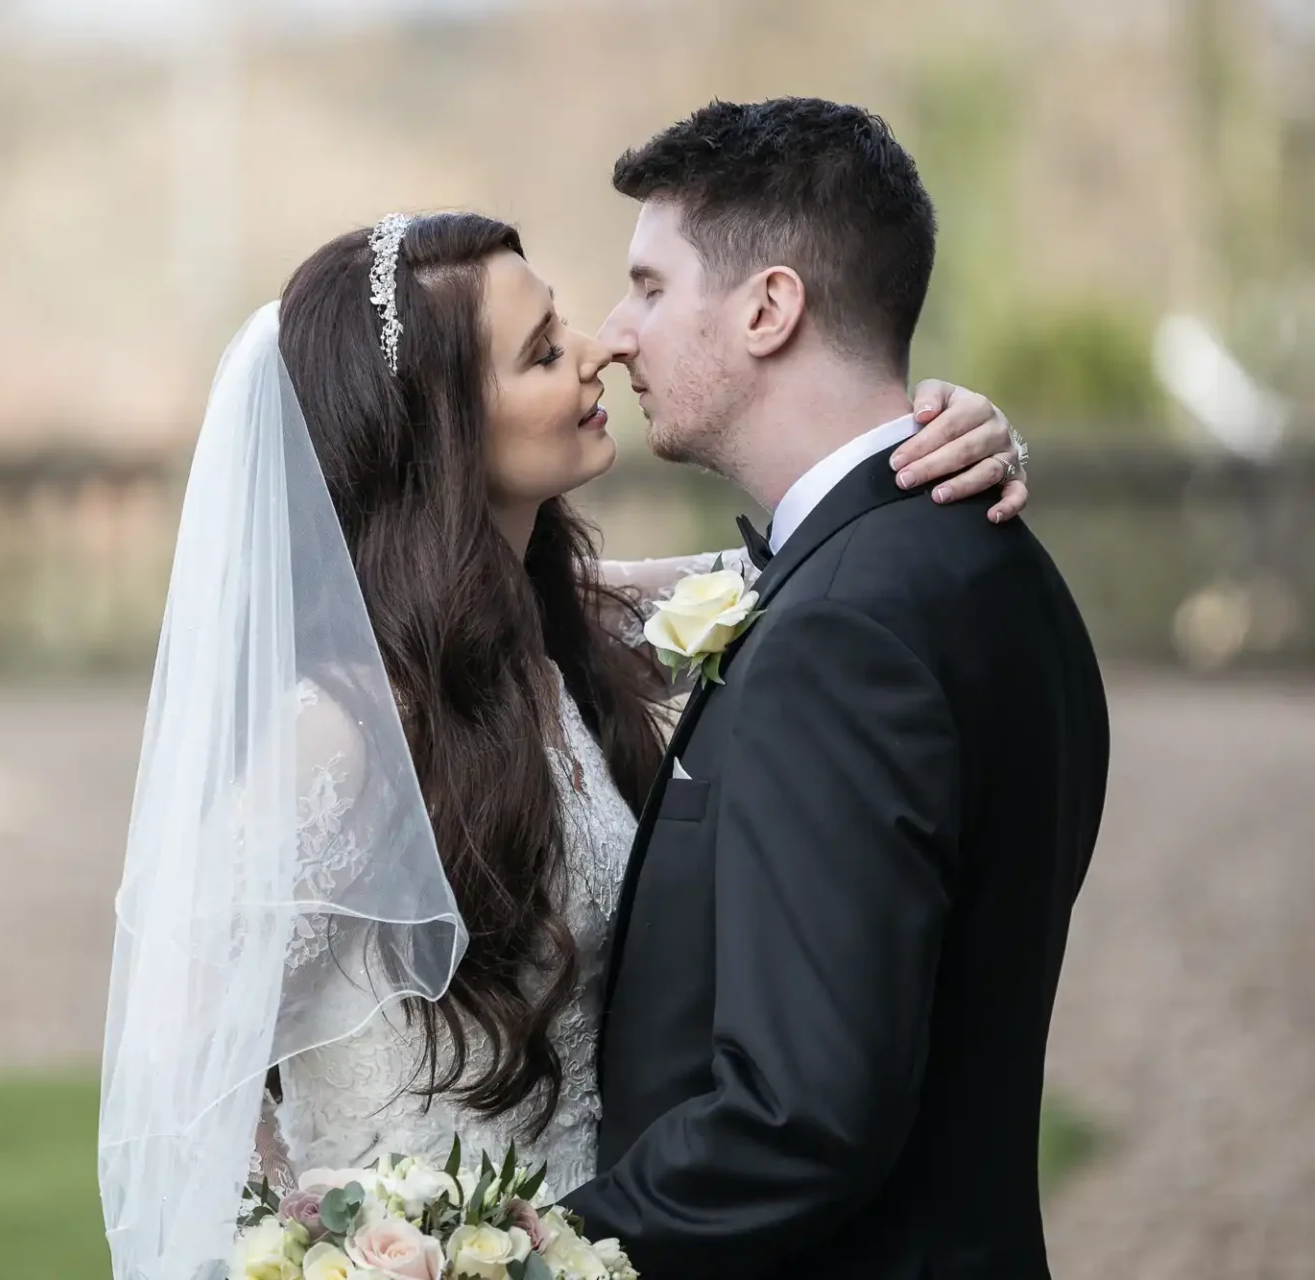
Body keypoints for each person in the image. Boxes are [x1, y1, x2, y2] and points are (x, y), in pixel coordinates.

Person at [100, 193, 1032, 1278]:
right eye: (543, 351)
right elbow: (182, 1072)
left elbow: (828, 567)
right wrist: (311, 1251)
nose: (597, 349)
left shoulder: (579, 631)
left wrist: (964, 436)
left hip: (615, 1246)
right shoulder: (340, 732)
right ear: (441, 432)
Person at [562, 97, 1109, 1280]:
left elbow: (799, 1115)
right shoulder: (991, 563)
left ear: (768, 307)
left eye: (650, 287)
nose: (613, 334)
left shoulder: (843, 631)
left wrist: (536, 1254)